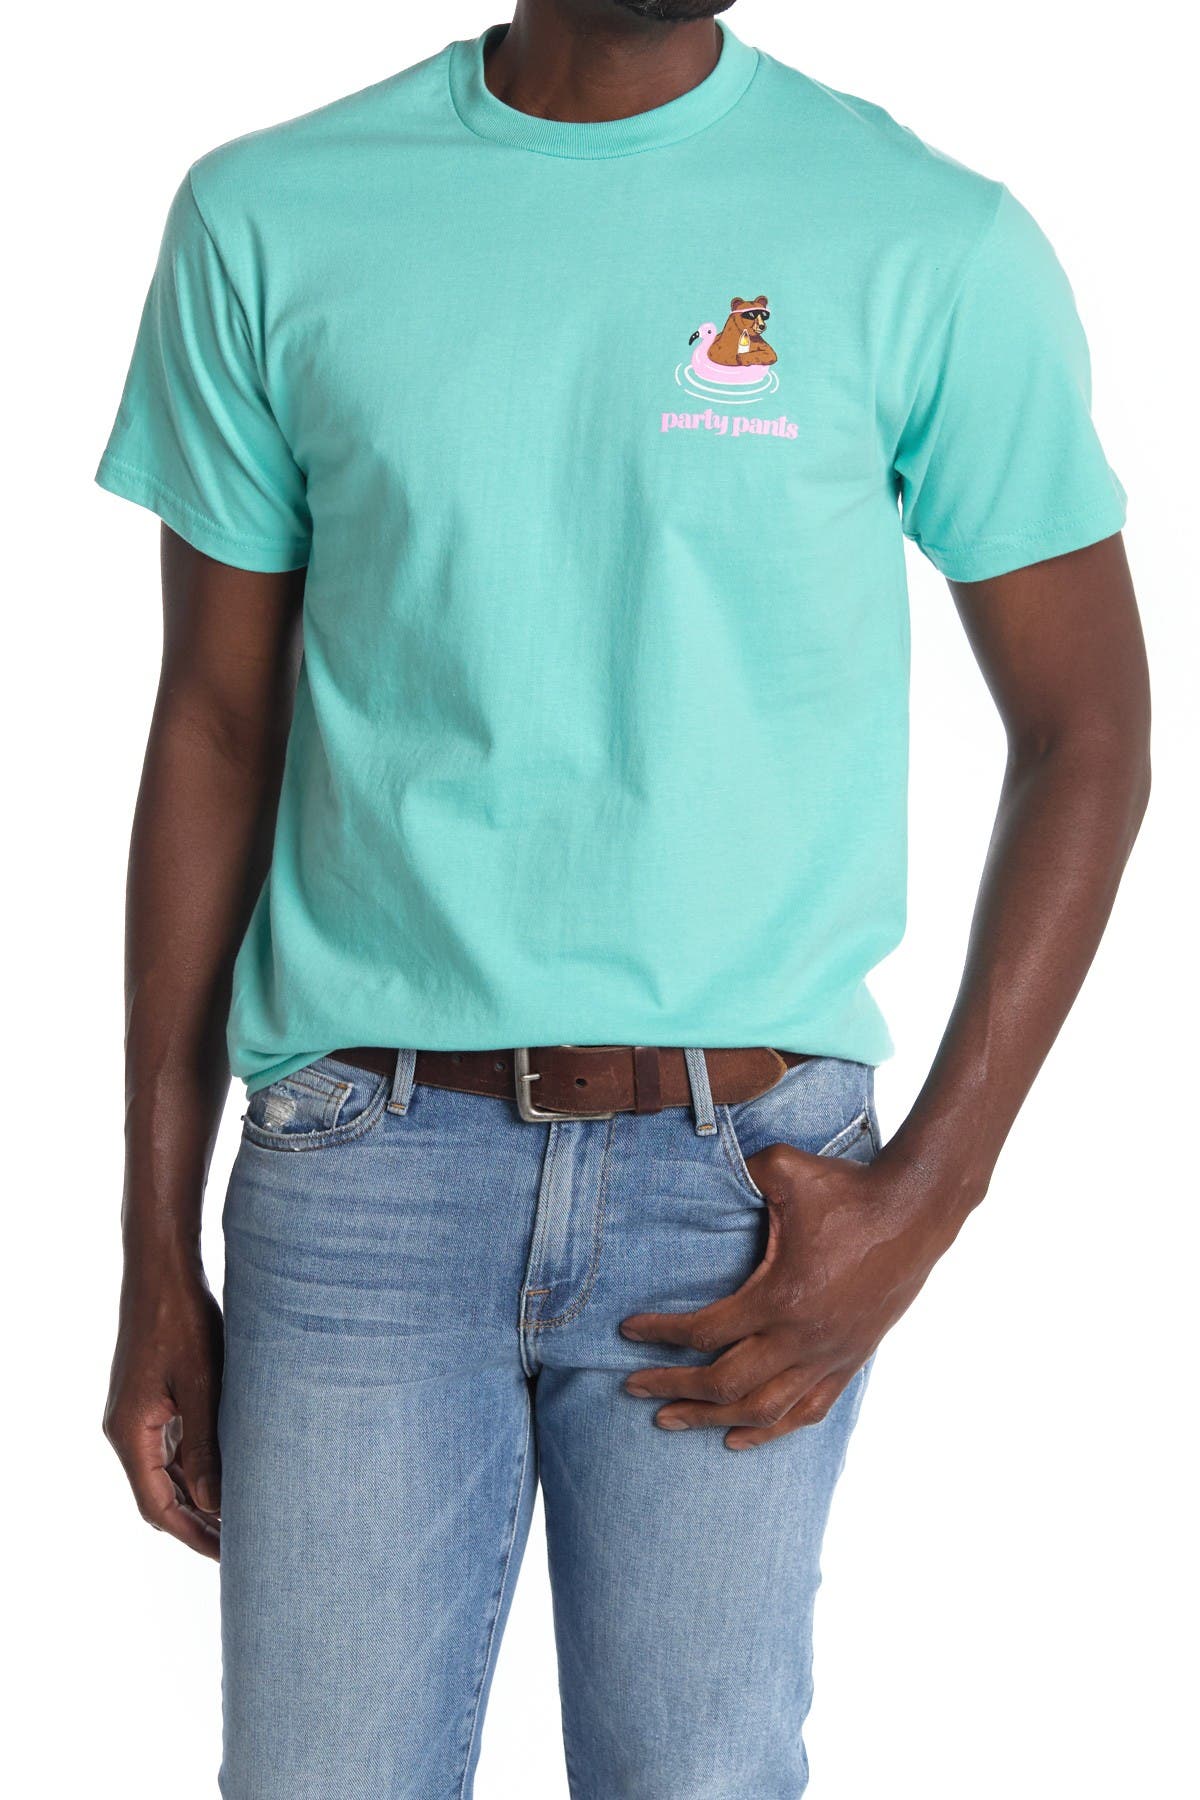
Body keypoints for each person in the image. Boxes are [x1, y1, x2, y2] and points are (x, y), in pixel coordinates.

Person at [97, 2, 1150, 1793]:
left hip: (744, 1197)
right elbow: (211, 727)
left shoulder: (928, 237)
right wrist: (149, 1249)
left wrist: (930, 1198)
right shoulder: (269, 216)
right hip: (360, 1178)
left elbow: (1089, 731)